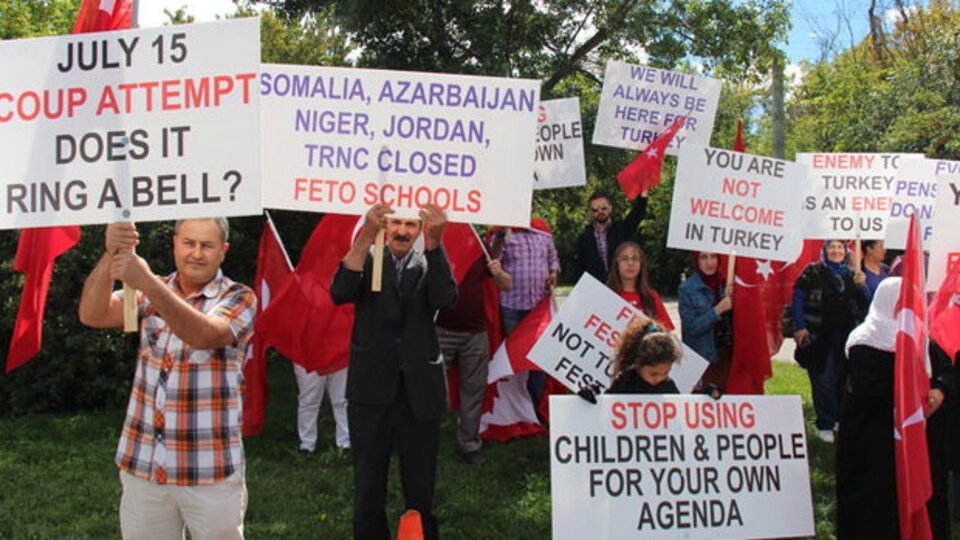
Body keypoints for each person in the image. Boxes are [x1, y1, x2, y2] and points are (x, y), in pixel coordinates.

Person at [78, 219, 255, 540]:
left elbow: (204, 334)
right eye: (189, 243)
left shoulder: (239, 297)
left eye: (207, 245)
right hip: (144, 464)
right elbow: (93, 314)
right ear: (175, 244)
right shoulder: (146, 291)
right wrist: (111, 254)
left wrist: (145, 282)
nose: (196, 254)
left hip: (208, 468)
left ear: (223, 252)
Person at [330, 203, 457, 540]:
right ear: (386, 225)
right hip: (371, 392)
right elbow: (339, 293)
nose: (402, 231)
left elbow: (446, 298)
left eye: (410, 225)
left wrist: (436, 242)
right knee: (368, 485)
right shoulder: (367, 259)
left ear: (420, 229)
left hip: (419, 394)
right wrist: (366, 237)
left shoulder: (429, 261)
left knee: (421, 487)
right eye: (396, 223)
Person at [837, 278, 953, 540]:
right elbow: (869, 390)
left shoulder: (919, 336)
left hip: (914, 440)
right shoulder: (865, 340)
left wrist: (939, 391)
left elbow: (944, 370)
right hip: (874, 443)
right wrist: (915, 398)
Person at [792, 239, 871, 443]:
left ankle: (838, 419)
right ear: (825, 250)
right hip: (819, 335)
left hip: (846, 336)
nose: (836, 251)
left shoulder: (852, 274)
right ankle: (825, 423)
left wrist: (862, 286)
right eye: (832, 247)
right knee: (823, 378)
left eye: (839, 247)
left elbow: (867, 304)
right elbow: (798, 298)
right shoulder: (812, 271)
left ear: (846, 252)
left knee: (842, 378)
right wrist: (799, 326)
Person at [436, 254, 512, 465]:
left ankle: (469, 443)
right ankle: (425, 440)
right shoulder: (435, 243)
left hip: (476, 333)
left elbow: (506, 285)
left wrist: (498, 273)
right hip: (440, 330)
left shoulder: (479, 248)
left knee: (474, 389)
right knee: (432, 389)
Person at [491, 219, 560, 421]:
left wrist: (554, 272)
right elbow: (493, 259)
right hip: (511, 307)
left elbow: (553, 258)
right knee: (514, 359)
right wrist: (502, 234)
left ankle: (537, 406)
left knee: (539, 359)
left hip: (538, 308)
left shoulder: (543, 231)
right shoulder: (501, 232)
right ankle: (514, 410)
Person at [678, 251, 732, 393]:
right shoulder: (687, 289)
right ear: (697, 260)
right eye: (704, 257)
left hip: (728, 356)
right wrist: (718, 310)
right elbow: (691, 327)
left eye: (713, 257)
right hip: (702, 360)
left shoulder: (727, 284)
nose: (709, 263)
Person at [576, 191, 648, 282]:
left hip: (622, 284)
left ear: (610, 208)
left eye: (603, 208)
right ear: (590, 212)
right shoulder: (584, 239)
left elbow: (638, 213)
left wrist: (643, 193)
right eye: (595, 209)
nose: (600, 211)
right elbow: (580, 268)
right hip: (597, 289)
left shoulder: (622, 228)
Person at [606, 241, 674, 330]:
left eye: (635, 259)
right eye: (625, 259)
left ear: (641, 264)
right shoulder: (606, 296)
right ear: (616, 264)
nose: (630, 263)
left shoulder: (652, 296)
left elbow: (666, 333)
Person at [607, 319, 682, 395]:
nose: (659, 379)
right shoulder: (624, 384)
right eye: (653, 374)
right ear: (638, 363)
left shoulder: (668, 387)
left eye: (666, 373)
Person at [293, 363, 349, 454]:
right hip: (308, 354)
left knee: (341, 399)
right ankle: (307, 444)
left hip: (339, 353)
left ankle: (345, 443)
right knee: (309, 400)